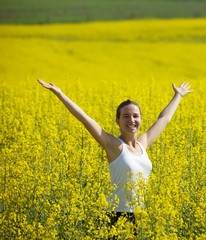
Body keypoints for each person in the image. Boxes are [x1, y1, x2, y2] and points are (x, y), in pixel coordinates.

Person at [37, 79, 193, 231]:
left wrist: (178, 95)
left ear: (140, 119)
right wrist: (59, 94)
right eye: (126, 116)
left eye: (135, 116)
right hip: (115, 216)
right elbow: (85, 119)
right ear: (117, 121)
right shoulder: (114, 145)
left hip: (139, 214)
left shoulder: (143, 143)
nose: (131, 120)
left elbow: (164, 119)